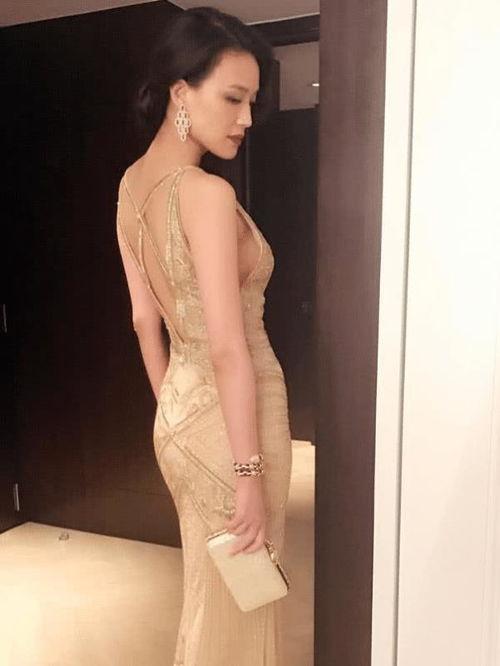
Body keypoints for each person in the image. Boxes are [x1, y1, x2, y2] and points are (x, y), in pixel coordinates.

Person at [115, 6, 292, 665]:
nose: (247, 118)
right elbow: (227, 346)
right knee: (243, 609)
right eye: (233, 98)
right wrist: (247, 473)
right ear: (181, 92)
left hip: (180, 417)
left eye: (252, 102)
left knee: (210, 595)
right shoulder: (204, 193)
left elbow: (145, 321)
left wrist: (175, 414)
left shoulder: (130, 186)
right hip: (238, 424)